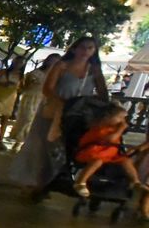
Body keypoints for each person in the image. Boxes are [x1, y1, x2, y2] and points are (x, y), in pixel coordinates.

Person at [10, 37, 108, 197]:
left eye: (90, 48)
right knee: (43, 149)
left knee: (66, 149)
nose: (86, 51)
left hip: (77, 114)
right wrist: (62, 104)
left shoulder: (94, 70)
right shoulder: (62, 66)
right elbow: (47, 89)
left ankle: (53, 181)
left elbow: (102, 91)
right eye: (83, 47)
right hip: (54, 111)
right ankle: (37, 183)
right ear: (75, 49)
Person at [72, 103, 145, 198]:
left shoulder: (113, 129)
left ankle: (135, 181)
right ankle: (81, 182)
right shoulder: (100, 128)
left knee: (126, 161)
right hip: (92, 153)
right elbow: (110, 139)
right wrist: (120, 129)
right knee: (97, 161)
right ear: (108, 118)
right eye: (120, 118)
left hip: (108, 155)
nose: (123, 121)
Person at [10, 53, 54, 144]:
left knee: (34, 121)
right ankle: (19, 139)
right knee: (27, 118)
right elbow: (25, 86)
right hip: (31, 96)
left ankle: (24, 140)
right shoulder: (36, 73)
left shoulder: (55, 75)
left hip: (43, 99)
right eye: (52, 60)